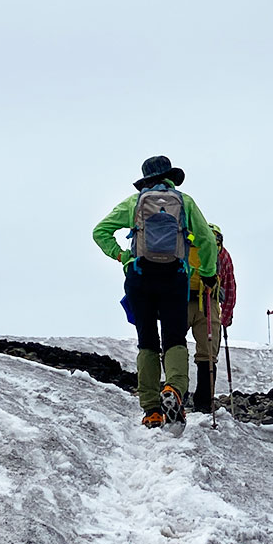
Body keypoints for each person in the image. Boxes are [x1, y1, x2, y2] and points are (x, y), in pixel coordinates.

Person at [93, 156, 218, 428]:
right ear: (170, 177)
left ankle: (151, 410)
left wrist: (122, 256)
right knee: (174, 338)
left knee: (146, 340)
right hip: (174, 277)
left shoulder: (134, 203)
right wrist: (208, 273)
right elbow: (207, 240)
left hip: (140, 277)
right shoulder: (184, 202)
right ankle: (173, 390)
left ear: (146, 180)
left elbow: (100, 231)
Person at [186, 223, 236, 411]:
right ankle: (204, 403)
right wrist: (226, 316)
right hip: (209, 302)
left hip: (182, 299)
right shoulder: (222, 254)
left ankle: (177, 393)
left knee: (174, 345)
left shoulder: (186, 243)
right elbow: (230, 286)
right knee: (208, 355)